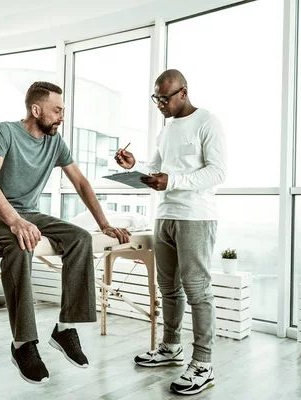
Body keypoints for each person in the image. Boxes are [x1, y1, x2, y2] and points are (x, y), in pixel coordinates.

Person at [0, 81, 131, 385]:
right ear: (36, 109)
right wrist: (16, 221)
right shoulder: (5, 132)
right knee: (21, 244)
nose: (61, 116)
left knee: (79, 238)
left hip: (29, 213)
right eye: (57, 110)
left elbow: (82, 183)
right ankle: (23, 344)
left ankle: (66, 328)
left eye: (63, 111)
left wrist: (104, 224)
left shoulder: (56, 143)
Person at [115, 69, 226, 396]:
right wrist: (134, 167)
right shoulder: (166, 130)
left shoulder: (208, 122)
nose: (160, 104)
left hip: (196, 217)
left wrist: (172, 181)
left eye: (164, 98)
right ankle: (170, 347)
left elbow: (217, 172)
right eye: (156, 98)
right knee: (168, 288)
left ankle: (203, 364)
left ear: (183, 92)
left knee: (197, 289)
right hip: (165, 215)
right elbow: (157, 172)